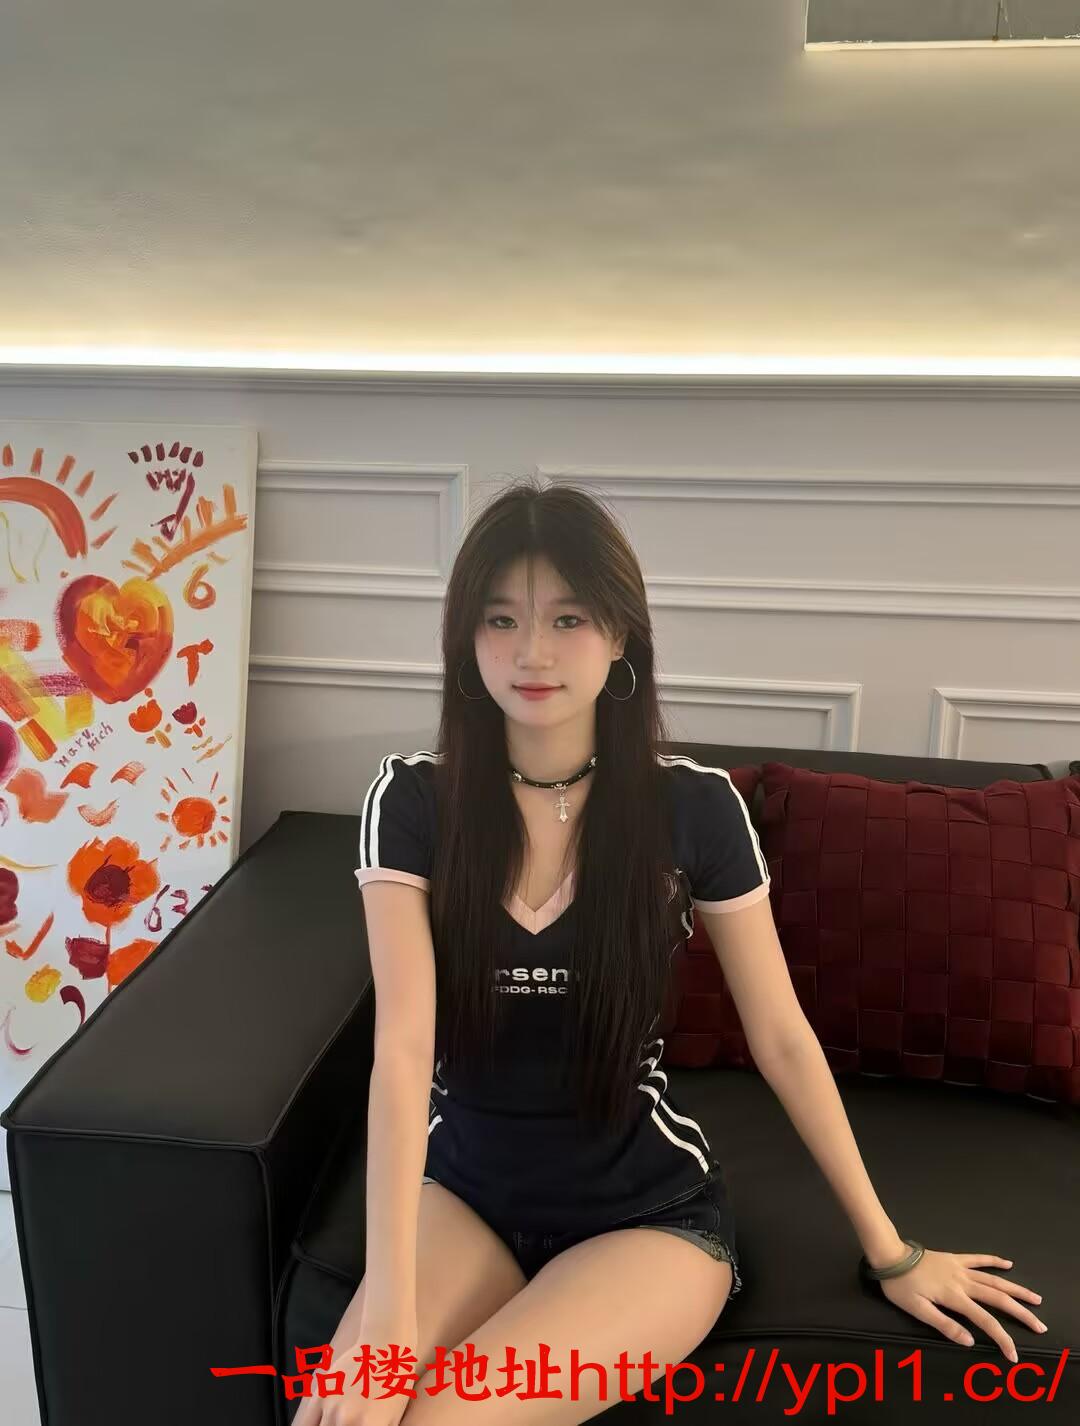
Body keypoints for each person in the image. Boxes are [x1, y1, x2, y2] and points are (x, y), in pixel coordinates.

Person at [295, 480, 1046, 1426]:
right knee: (340, 1415)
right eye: (500, 618)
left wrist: (892, 1251)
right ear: (465, 640)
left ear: (619, 636)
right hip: (466, 1197)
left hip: (644, 1220)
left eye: (568, 618)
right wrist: (389, 1325)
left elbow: (782, 1038)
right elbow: (404, 1050)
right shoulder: (411, 801)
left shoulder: (691, 807)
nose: (531, 652)